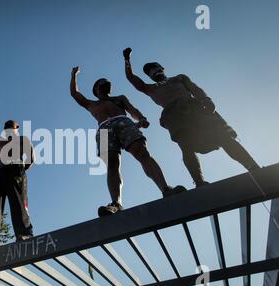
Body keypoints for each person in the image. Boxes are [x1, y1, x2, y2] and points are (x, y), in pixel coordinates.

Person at [123, 47, 260, 187]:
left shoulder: (179, 78)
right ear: (149, 76)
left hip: (195, 109)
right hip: (174, 117)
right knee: (186, 146)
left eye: (155, 67)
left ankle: (252, 166)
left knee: (223, 137)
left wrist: (206, 99)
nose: (154, 71)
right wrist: (127, 60)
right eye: (150, 71)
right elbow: (131, 78)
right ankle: (199, 181)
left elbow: (195, 89)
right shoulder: (150, 88)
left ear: (162, 68)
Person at [70, 66, 186, 217]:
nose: (106, 85)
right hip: (104, 130)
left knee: (143, 154)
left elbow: (132, 110)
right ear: (97, 90)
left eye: (107, 83)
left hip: (123, 123)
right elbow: (75, 94)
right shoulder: (91, 104)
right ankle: (116, 203)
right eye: (102, 83)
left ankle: (165, 189)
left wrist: (141, 118)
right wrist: (74, 75)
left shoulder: (120, 99)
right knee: (112, 165)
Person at [0, 94, 35, 250]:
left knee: (18, 203)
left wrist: (21, 169)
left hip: (15, 170)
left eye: (12, 127)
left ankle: (24, 233)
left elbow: (32, 157)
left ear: (17, 128)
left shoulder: (23, 139)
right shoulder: (0, 141)